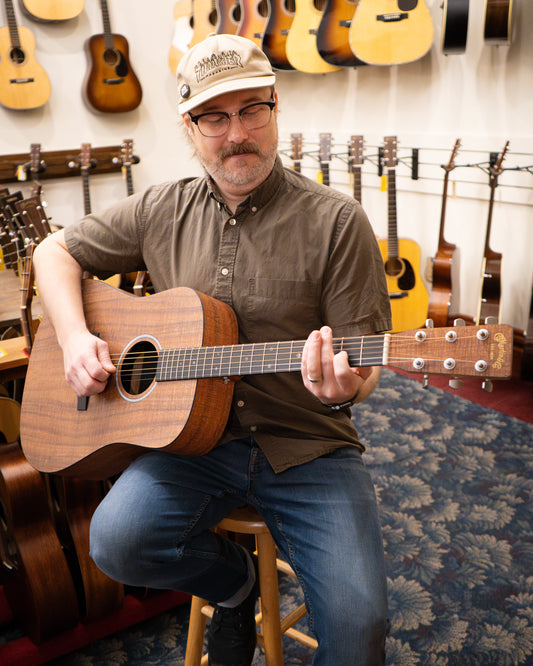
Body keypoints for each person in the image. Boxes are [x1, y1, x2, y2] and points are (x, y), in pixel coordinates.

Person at [33, 34, 391, 666]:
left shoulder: (338, 222)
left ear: (276, 108)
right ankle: (235, 586)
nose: (236, 134)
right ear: (189, 127)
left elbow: (362, 372)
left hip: (307, 442)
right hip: (192, 440)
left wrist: (349, 389)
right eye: (215, 118)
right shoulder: (160, 208)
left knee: (361, 625)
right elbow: (52, 251)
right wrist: (74, 337)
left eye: (252, 109)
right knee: (116, 544)